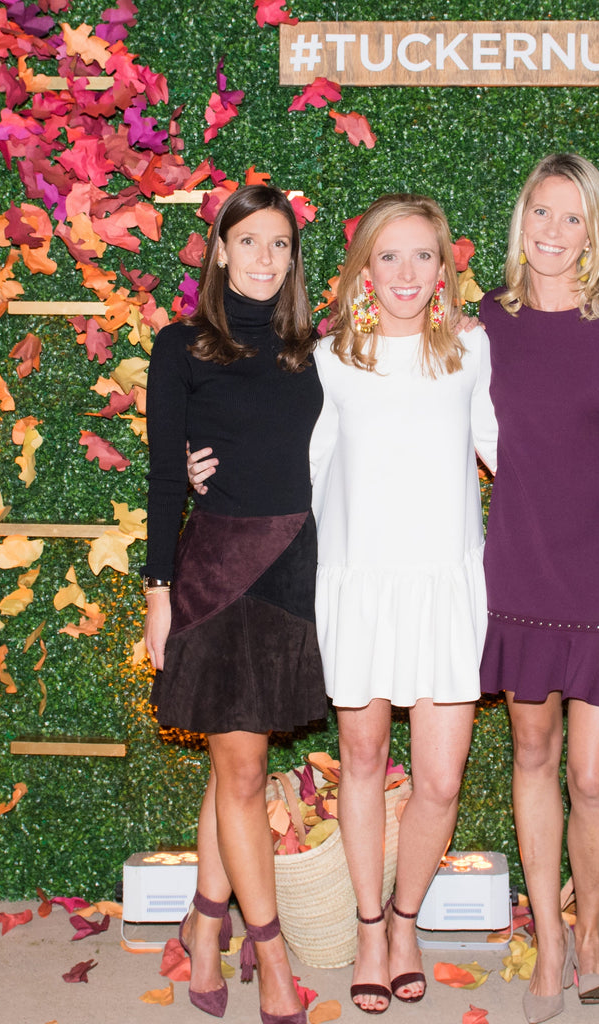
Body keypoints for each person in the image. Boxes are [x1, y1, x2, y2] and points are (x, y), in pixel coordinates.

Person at [192, 193, 498, 1015]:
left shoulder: (473, 353)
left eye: (422, 257)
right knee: (362, 763)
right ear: (363, 266)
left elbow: (515, 453)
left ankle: (406, 920)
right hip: (358, 584)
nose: (404, 273)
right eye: (387, 257)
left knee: (438, 779)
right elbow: (284, 452)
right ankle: (370, 929)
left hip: (444, 587)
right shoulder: (328, 360)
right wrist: (200, 462)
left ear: (444, 272)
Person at [478, 153, 599, 1024]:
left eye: (570, 218)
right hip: (519, 566)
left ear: (594, 231)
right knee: (531, 753)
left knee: (594, 776)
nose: (552, 234)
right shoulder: (488, 320)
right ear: (521, 221)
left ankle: (590, 932)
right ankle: (550, 945)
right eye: (539, 215)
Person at [143, 184, 325, 1024]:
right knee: (245, 768)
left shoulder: (313, 352)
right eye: (247, 241)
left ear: (293, 258)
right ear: (218, 251)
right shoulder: (179, 347)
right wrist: (157, 594)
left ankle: (205, 923)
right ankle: (274, 957)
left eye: (279, 245)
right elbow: (159, 480)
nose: (263, 258)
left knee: (235, 765)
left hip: (292, 569)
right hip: (216, 571)